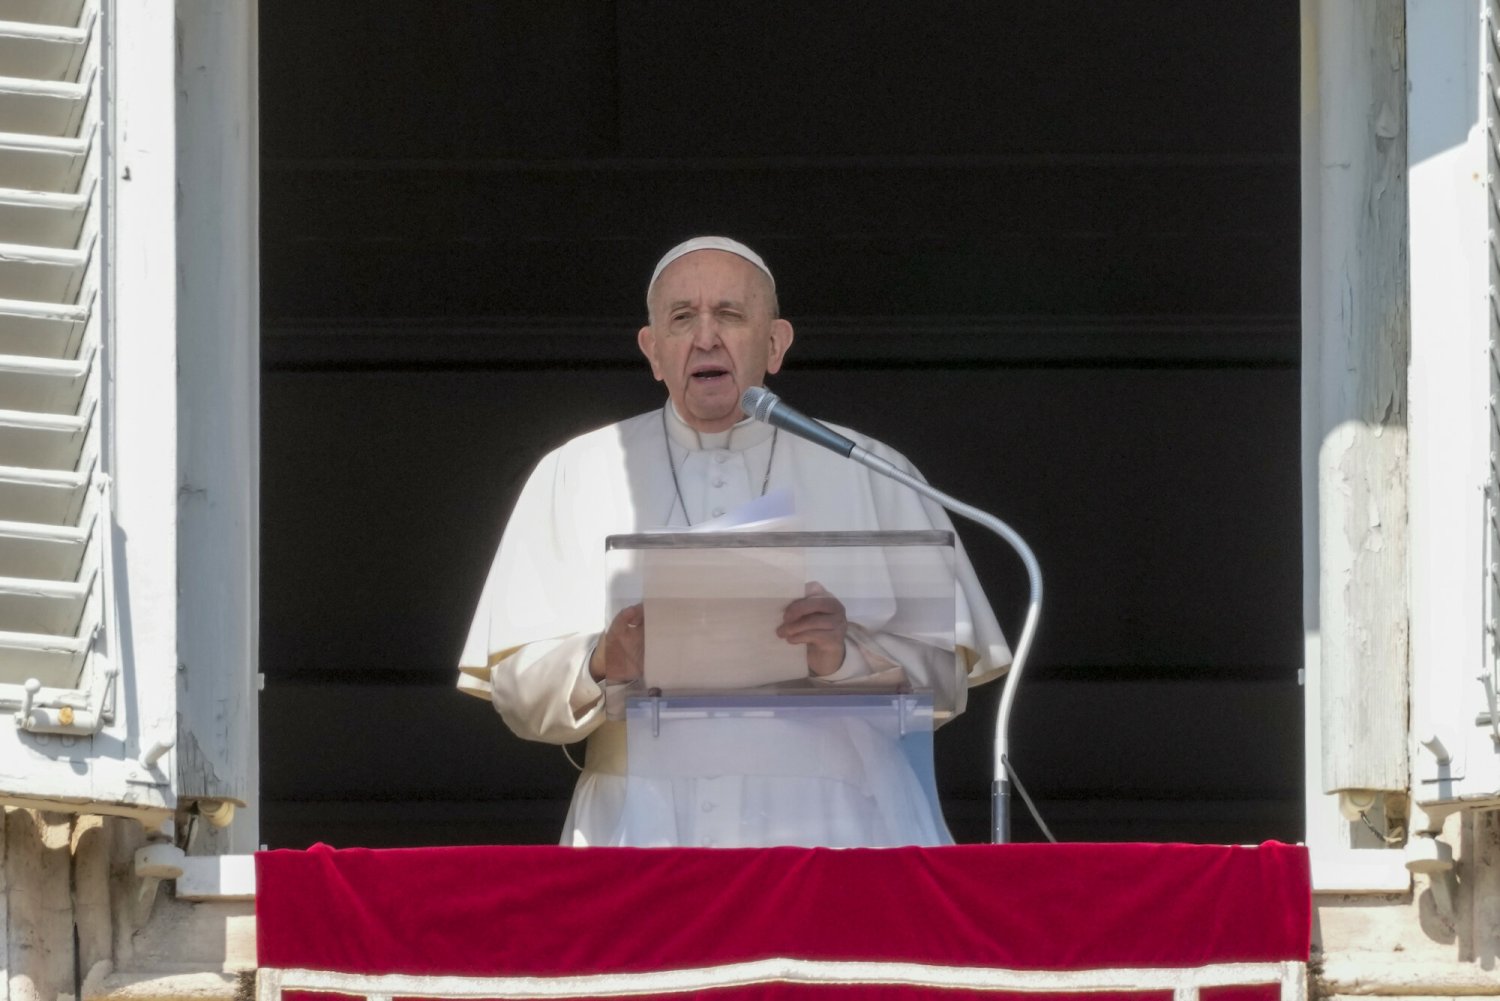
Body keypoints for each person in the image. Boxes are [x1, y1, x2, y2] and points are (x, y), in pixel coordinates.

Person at [458, 236, 1010, 847]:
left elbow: (947, 679)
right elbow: (514, 686)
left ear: (775, 344)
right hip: (640, 824)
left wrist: (843, 653)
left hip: (837, 827)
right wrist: (600, 660)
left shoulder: (870, 468)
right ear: (653, 351)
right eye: (681, 318)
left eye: (729, 314)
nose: (705, 336)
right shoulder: (573, 472)